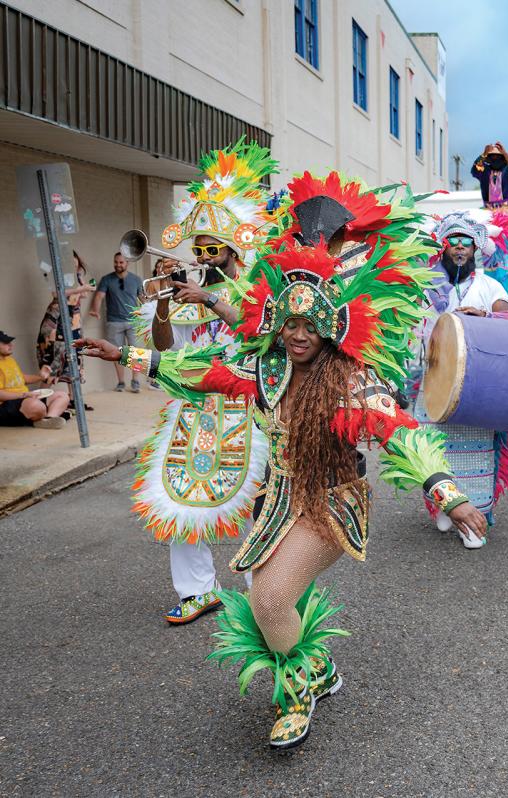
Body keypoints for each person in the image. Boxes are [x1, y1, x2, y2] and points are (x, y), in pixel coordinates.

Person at [78, 171, 487, 750]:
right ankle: (320, 669)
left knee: (267, 599)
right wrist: (123, 354)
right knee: (268, 593)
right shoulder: (263, 368)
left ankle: (297, 695)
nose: (298, 335)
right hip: (274, 503)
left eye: (310, 325)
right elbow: (198, 372)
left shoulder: (349, 380)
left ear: (331, 327)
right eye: (290, 324)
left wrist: (447, 492)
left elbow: (399, 435)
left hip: (329, 503)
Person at [127, 140, 276, 625]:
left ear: (233, 250)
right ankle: (197, 591)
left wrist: (210, 299)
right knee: (179, 496)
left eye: (214, 249)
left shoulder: (256, 289)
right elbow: (165, 349)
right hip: (194, 409)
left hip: (248, 408)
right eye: (200, 249)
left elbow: (258, 333)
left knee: (257, 501)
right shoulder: (187, 290)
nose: (205, 256)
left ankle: (265, 592)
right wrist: (164, 304)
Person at [409, 210, 508, 548]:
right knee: (434, 445)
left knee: (473, 451)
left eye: (466, 241)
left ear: (476, 248)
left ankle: (473, 522)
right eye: (454, 241)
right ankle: (444, 504)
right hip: (434, 379)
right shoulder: (426, 286)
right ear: (443, 246)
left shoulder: (488, 285)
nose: (460, 247)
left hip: (476, 385)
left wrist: (485, 315)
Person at [89, 251, 143, 391]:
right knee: (116, 352)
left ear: (127, 263)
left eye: (121, 262)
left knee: (136, 352)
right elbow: (99, 296)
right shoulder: (107, 279)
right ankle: (121, 382)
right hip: (114, 322)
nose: (118, 265)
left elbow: (143, 298)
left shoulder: (136, 280)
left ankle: (135, 381)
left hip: (133, 321)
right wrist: (95, 310)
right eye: (116, 262)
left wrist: (148, 313)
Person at [0, 330, 69, 429]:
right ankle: (42, 415)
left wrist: (41, 377)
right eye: (5, 343)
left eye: (10, 342)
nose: (11, 345)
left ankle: (48, 419)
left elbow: (22, 378)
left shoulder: (9, 360)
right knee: (36, 405)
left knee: (62, 395)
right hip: (6, 405)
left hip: (24, 399)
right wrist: (24, 395)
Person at [472, 142, 508, 209]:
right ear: (488, 158)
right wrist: (484, 154)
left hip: (507, 210)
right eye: (492, 156)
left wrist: (504, 153)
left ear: (503, 157)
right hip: (488, 210)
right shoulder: (484, 170)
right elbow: (476, 168)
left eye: (498, 156)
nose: (495, 158)